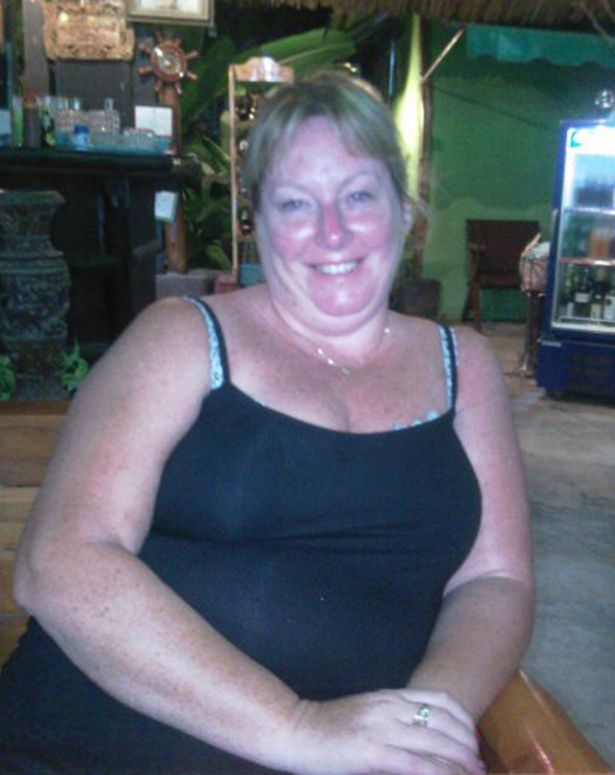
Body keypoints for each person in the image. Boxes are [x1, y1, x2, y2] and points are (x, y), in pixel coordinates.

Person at [0, 71, 534, 774]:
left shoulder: (465, 364)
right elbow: (58, 563)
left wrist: (420, 727)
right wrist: (301, 728)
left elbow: (495, 580)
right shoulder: (179, 339)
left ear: (405, 211)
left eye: (358, 195)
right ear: (257, 219)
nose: (331, 231)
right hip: (96, 748)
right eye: (295, 203)